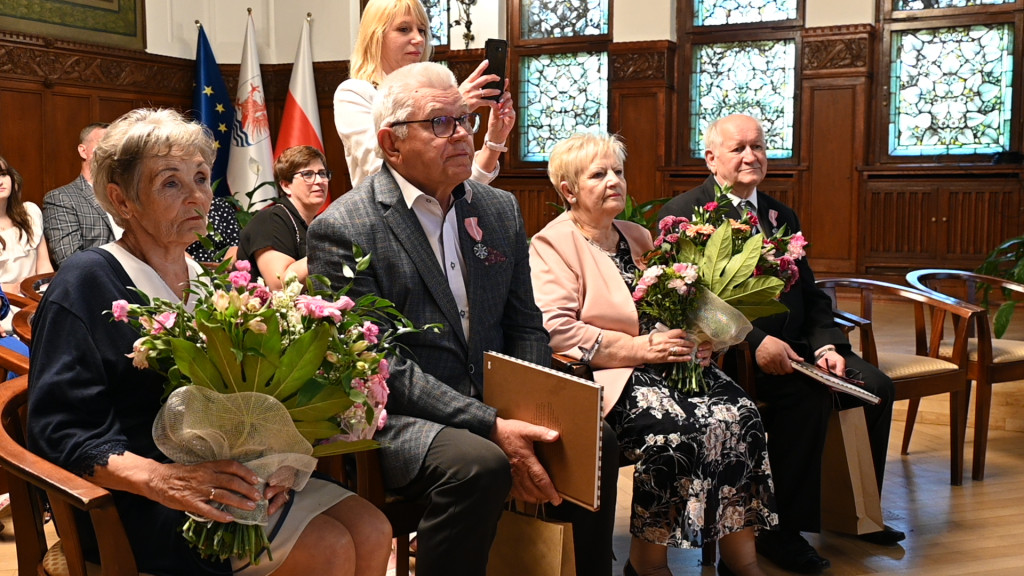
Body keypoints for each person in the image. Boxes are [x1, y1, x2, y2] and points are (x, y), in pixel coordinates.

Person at [27, 108, 392, 576]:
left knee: (372, 528)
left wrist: (276, 463)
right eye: (171, 183)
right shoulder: (86, 282)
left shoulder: (207, 280)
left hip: (228, 479)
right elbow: (60, 431)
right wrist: (167, 480)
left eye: (201, 178)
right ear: (121, 199)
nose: (197, 196)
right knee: (330, 547)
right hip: (135, 500)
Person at [309, 62, 618, 576]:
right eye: (440, 124)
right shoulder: (345, 227)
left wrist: (534, 410)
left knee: (592, 440)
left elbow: (525, 325)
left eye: (464, 120)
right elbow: (378, 365)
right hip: (403, 417)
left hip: (496, 401)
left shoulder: (497, 209)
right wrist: (492, 425)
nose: (462, 135)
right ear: (391, 144)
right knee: (480, 463)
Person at [656, 114, 902, 574]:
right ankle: (775, 530)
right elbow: (689, 302)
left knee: (876, 388)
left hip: (802, 349)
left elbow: (811, 294)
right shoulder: (684, 213)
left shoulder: (778, 214)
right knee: (807, 399)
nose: (751, 156)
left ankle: (855, 513)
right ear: (711, 158)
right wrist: (754, 340)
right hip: (735, 357)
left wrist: (829, 346)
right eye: (738, 148)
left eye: (759, 146)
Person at [530, 132, 776, 576]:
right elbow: (559, 332)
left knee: (742, 416)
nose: (614, 182)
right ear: (568, 190)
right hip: (610, 376)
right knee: (676, 432)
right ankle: (647, 562)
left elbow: (680, 303)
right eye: (599, 174)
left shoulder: (637, 235)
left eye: (618, 172)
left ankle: (743, 561)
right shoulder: (552, 245)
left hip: (669, 365)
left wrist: (702, 339)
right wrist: (642, 349)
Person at [334, 0, 515, 188]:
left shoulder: (437, 90)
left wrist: (495, 140)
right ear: (375, 36)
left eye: (421, 30)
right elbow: (380, 169)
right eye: (404, 29)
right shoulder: (355, 93)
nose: (419, 39)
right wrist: (451, 111)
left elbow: (462, 186)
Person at [237, 146, 330, 290]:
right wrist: (331, 249)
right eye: (308, 174)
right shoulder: (270, 220)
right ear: (286, 185)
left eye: (322, 173)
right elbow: (281, 284)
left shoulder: (317, 224)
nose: (319, 180)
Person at [43, 122, 122, 268]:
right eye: (104, 144)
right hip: (98, 282)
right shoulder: (61, 198)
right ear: (83, 151)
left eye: (115, 146)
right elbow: (69, 260)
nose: (111, 151)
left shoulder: (126, 195)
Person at [0, 155, 53, 333]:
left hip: (36, 298)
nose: (0, 181)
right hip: (5, 305)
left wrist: (45, 292)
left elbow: (44, 266)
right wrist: (14, 288)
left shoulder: (30, 213)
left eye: (3, 174)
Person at [186, 196, 240, 263]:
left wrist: (224, 267)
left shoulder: (220, 204)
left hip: (223, 266)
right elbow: (172, 247)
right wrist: (196, 269)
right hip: (189, 266)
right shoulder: (176, 207)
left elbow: (235, 242)